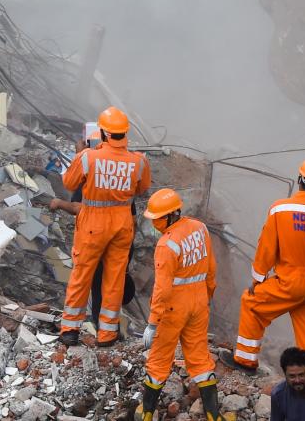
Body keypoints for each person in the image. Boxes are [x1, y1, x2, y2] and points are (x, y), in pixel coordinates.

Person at [219, 156, 305, 376]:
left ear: (300, 178)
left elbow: (266, 247)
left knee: (252, 303)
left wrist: (258, 278)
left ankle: (246, 361)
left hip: (289, 281)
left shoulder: (280, 209)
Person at [58, 106, 150, 347]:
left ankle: (70, 329)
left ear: (104, 133)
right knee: (114, 279)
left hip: (93, 223)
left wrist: (81, 154)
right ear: (125, 134)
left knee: (82, 275)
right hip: (122, 224)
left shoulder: (89, 157)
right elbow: (141, 189)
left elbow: (69, 183)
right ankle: (107, 334)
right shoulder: (138, 161)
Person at [139, 188, 220, 421]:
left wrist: (153, 323)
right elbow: (211, 268)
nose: (154, 223)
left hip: (173, 308)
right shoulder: (200, 228)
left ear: (171, 214)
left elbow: (162, 290)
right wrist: (207, 297)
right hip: (199, 302)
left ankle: (146, 414)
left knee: (158, 360)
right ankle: (214, 416)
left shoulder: (167, 245)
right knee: (200, 358)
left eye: (157, 219)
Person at [48, 197, 136, 328]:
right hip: (120, 245)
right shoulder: (124, 185)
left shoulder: (91, 185)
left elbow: (76, 207)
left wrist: (59, 203)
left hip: (96, 244)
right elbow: (133, 221)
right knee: (111, 287)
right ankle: (109, 331)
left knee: (95, 288)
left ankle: (90, 329)